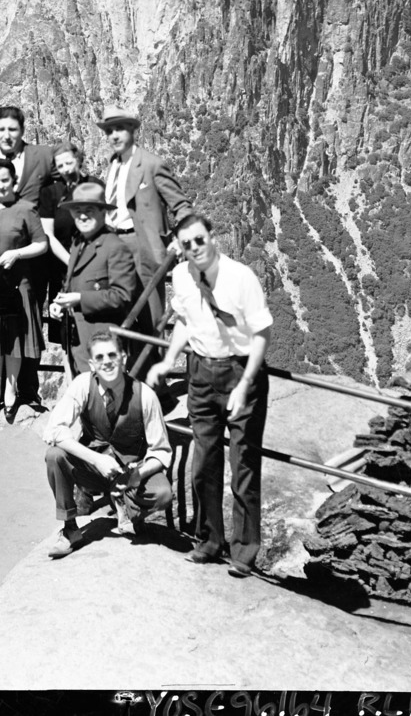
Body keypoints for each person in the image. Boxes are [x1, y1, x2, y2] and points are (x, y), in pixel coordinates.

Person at [149, 213, 274, 576]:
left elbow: (262, 333)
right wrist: (168, 361)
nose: (194, 248)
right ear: (180, 247)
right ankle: (209, 540)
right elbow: (184, 322)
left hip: (239, 372)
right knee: (202, 464)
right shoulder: (182, 277)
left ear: (212, 237)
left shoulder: (241, 277)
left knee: (243, 467)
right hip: (201, 373)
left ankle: (244, 552)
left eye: (199, 240)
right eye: (186, 244)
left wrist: (246, 384)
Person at [44, 332, 174, 557]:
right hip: (94, 469)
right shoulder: (83, 384)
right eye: (100, 357)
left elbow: (161, 452)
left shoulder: (145, 396)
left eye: (113, 355)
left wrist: (139, 474)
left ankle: (129, 510)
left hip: (129, 474)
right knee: (55, 455)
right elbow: (53, 430)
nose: (107, 362)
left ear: (124, 357)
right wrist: (96, 459)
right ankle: (70, 530)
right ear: (92, 364)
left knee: (162, 493)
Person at [97, 106, 192, 332]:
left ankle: (155, 365)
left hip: (142, 247)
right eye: (109, 131)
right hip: (113, 246)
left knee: (150, 313)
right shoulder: (113, 166)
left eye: (119, 129)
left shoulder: (151, 164)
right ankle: (130, 366)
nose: (114, 136)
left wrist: (182, 239)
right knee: (120, 312)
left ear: (132, 130)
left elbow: (181, 205)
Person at [0, 156, 49, 420]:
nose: (1, 186)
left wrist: (18, 254)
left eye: (5, 180)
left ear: (13, 181)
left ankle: (11, 393)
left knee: (14, 339)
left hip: (17, 284)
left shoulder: (26, 209)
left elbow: (41, 244)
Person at [50, 180, 137, 375]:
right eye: (77, 210)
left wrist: (80, 299)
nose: (82, 216)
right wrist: (60, 302)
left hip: (104, 346)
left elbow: (122, 296)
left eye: (89, 210)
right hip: (79, 342)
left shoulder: (115, 247)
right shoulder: (78, 244)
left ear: (102, 212)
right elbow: (71, 283)